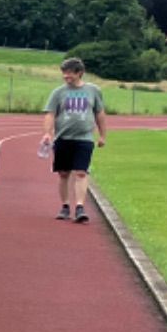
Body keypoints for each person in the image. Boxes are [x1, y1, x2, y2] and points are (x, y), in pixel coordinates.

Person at [42, 56, 108, 223]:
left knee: (81, 172)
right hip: (63, 138)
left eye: (70, 73)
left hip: (84, 138)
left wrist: (102, 136)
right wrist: (47, 133)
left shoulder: (93, 91)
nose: (66, 76)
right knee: (63, 173)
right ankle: (65, 206)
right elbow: (50, 114)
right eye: (64, 73)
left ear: (80, 73)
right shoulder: (58, 93)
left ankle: (79, 207)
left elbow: (99, 114)